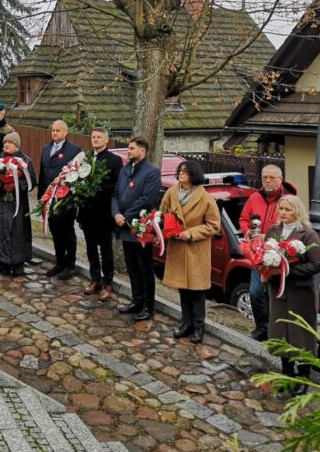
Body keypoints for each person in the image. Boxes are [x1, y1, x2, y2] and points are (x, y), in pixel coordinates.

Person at [264, 195, 320, 395]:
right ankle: (287, 372)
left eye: (287, 209)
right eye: (280, 209)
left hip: (300, 291)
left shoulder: (307, 234)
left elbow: (316, 264)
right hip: (279, 291)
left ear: (297, 211)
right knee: (280, 329)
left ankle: (304, 375)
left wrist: (288, 270)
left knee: (300, 333)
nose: (282, 213)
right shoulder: (273, 231)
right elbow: (264, 255)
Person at [161, 161, 221, 343]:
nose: (180, 174)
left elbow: (214, 225)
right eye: (180, 171)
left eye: (185, 172)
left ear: (193, 175)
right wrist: (165, 226)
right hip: (178, 248)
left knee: (197, 292)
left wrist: (191, 233)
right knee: (183, 290)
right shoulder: (172, 192)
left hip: (195, 250)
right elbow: (162, 212)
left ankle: (198, 327)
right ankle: (185, 324)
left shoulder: (205, 198)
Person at [239, 165, 297, 341]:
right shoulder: (255, 197)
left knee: (276, 295)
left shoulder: (289, 200)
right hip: (258, 255)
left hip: (280, 256)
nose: (268, 181)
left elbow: (295, 225)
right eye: (265, 177)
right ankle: (262, 327)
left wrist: (270, 236)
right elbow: (243, 219)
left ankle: (278, 331)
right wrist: (249, 232)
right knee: (256, 293)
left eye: (272, 177)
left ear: (281, 179)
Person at [111, 137, 162, 322]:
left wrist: (125, 216)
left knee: (144, 268)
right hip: (123, 225)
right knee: (131, 266)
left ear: (143, 151)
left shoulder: (152, 172)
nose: (128, 151)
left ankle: (148, 306)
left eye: (132, 148)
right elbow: (116, 194)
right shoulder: (126, 170)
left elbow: (147, 199)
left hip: (139, 228)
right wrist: (116, 212)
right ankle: (136, 300)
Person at [79, 127, 122, 301]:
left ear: (106, 140)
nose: (95, 140)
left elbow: (117, 186)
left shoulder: (114, 160)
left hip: (104, 213)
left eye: (99, 137)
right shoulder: (86, 158)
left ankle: (107, 283)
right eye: (93, 137)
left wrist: (97, 188)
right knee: (90, 248)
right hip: (87, 211)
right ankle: (95, 279)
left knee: (105, 250)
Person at [37, 120, 83, 279]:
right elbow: (42, 172)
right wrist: (41, 196)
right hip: (49, 197)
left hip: (66, 199)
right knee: (55, 230)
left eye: (58, 130)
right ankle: (59, 261)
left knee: (67, 231)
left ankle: (70, 265)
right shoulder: (46, 148)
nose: (54, 133)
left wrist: (73, 197)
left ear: (65, 132)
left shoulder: (75, 150)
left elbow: (78, 175)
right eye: (53, 130)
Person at [0, 131, 36, 276]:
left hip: (17, 204)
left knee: (18, 233)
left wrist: (15, 186)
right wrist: (1, 187)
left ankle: (18, 263)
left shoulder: (26, 161)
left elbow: (31, 182)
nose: (6, 145)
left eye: (10, 142)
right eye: (5, 142)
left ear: (17, 145)